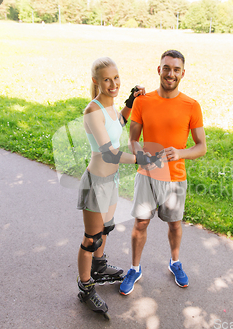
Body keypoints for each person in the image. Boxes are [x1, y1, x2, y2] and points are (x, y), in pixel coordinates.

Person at [76, 57, 160, 315]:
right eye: (106, 80)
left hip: (110, 182)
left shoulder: (110, 107)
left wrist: (130, 103)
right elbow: (110, 152)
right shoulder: (92, 111)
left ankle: (99, 267)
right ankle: (86, 287)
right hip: (95, 184)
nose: (113, 84)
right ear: (96, 81)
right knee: (91, 239)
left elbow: (117, 125)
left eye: (116, 78)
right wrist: (139, 158)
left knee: (106, 229)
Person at [119, 50, 207, 296]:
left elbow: (201, 147)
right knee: (141, 223)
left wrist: (180, 153)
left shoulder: (191, 105)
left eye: (176, 69)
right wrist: (140, 155)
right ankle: (135, 268)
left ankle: (175, 262)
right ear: (159, 70)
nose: (171, 74)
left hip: (176, 177)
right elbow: (132, 140)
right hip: (147, 175)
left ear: (182, 73)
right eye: (166, 68)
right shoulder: (143, 101)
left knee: (175, 224)